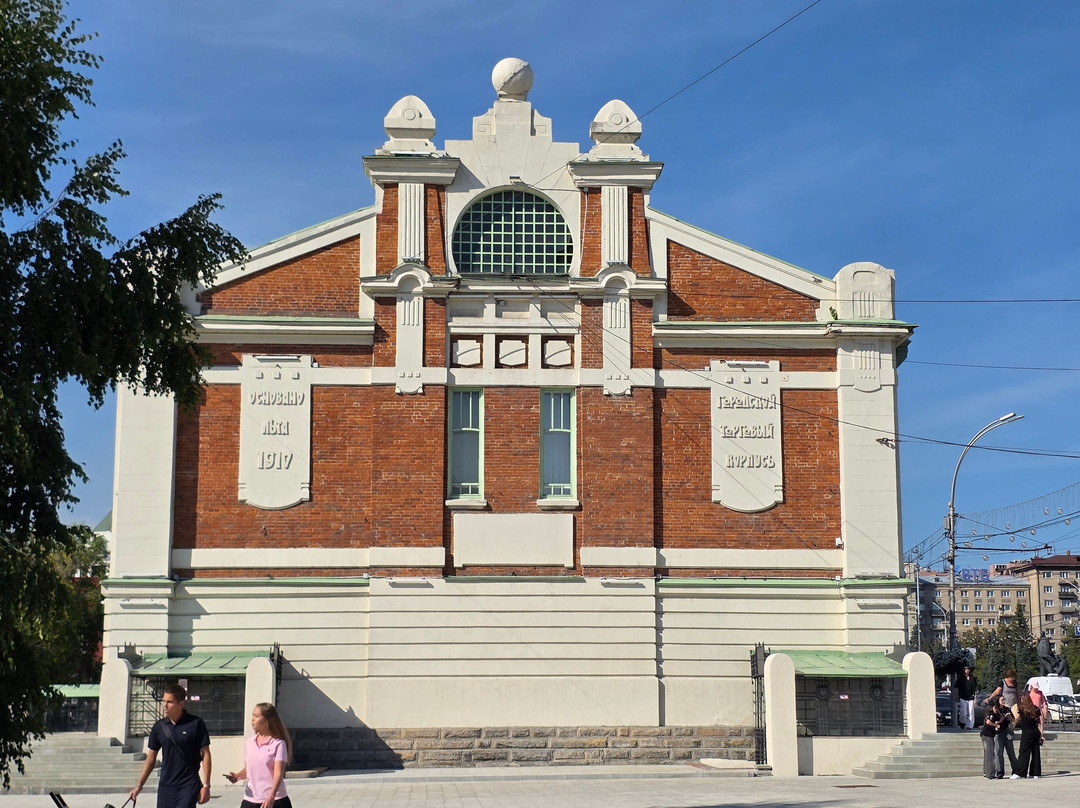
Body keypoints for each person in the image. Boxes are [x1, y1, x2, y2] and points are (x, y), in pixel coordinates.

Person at [129, 684, 212, 807]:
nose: (165, 705)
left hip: (188, 785)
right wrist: (139, 785)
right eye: (163, 701)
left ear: (181, 704)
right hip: (166, 787)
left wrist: (206, 785)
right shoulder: (159, 727)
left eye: (170, 702)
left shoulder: (195, 723)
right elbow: (151, 758)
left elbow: (205, 754)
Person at [226, 702, 293, 808]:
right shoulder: (250, 742)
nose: (252, 719)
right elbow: (250, 770)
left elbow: (278, 773)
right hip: (250, 800)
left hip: (274, 800)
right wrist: (237, 776)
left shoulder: (278, 744)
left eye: (256, 716)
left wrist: (271, 797)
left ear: (268, 720)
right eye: (252, 715)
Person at [989, 669, 1019, 775]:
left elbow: (1016, 693)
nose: (1013, 679)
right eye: (1001, 699)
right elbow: (989, 720)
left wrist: (1010, 717)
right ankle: (1000, 771)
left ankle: (1016, 770)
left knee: (1011, 752)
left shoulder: (1006, 710)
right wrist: (990, 698)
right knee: (999, 752)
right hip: (999, 732)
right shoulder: (996, 709)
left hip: (1006, 730)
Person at [1010, 693, 1044, 779]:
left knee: (1024, 752)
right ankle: (1035, 773)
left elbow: (1016, 716)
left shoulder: (1022, 709)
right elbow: (1039, 722)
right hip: (1035, 731)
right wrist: (1041, 734)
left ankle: (1020, 773)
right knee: (1035, 752)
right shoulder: (1035, 708)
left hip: (1027, 732)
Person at [981, 697, 1005, 779]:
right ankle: (989, 774)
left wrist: (1001, 720)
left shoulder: (996, 715)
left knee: (990, 753)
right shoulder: (990, 713)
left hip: (991, 735)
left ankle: (987, 772)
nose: (996, 709)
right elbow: (988, 722)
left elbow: (999, 720)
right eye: (995, 708)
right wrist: (995, 725)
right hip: (987, 735)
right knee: (989, 754)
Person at [957, 664, 978, 729]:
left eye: (968, 669)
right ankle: (962, 721)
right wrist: (956, 696)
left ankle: (969, 725)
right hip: (963, 696)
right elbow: (956, 687)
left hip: (970, 697)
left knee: (971, 711)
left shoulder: (972, 678)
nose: (967, 671)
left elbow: (975, 687)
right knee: (964, 712)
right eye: (966, 669)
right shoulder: (960, 678)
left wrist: (975, 696)